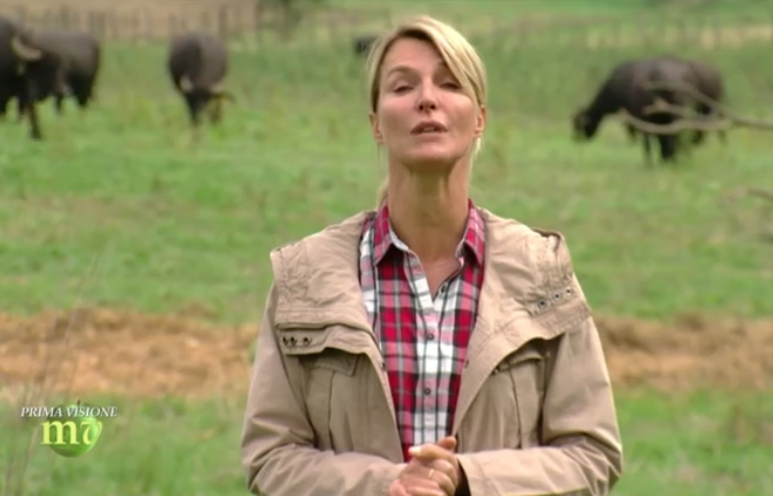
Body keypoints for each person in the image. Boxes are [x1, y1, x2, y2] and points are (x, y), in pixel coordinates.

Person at [240, 14, 623, 496]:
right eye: (402, 87)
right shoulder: (306, 277)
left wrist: (467, 478)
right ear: (376, 124)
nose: (427, 98)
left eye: (449, 83)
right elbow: (271, 457)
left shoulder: (541, 272)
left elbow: (591, 454)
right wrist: (385, 484)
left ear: (479, 118)